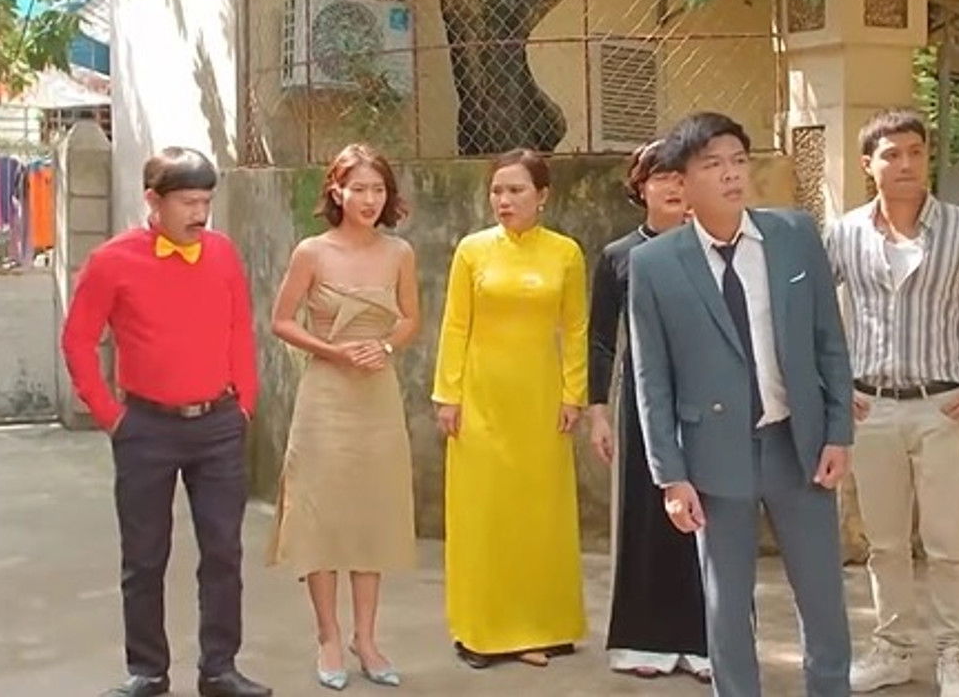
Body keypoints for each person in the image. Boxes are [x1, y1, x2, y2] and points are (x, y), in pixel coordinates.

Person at [628, 112, 854, 697]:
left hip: (798, 444)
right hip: (713, 455)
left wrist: (838, 431)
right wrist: (671, 476)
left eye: (738, 161)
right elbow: (651, 379)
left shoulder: (794, 234)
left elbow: (828, 340)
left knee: (823, 598)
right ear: (682, 182)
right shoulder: (654, 265)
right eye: (713, 165)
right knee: (726, 606)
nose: (731, 175)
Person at [61, 147, 271, 697]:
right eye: (188, 203)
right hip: (146, 428)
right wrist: (110, 416)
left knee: (223, 552)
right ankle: (148, 671)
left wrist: (244, 402)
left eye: (206, 202)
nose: (200, 214)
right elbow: (78, 340)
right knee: (144, 556)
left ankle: (219, 668)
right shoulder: (112, 261)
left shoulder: (221, 253)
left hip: (218, 423)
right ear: (153, 201)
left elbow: (239, 327)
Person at [828, 109, 959, 697]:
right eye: (892, 154)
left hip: (940, 409)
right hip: (869, 409)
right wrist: (833, 384)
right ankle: (891, 649)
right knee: (884, 542)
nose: (906, 164)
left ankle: (954, 653)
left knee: (948, 541)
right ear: (868, 165)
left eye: (915, 151)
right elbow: (810, 311)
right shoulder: (844, 234)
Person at [265, 144, 419, 690]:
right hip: (325, 396)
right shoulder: (312, 252)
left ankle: (367, 638)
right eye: (359, 189)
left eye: (378, 190)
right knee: (321, 514)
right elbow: (282, 320)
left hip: (377, 393)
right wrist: (332, 351)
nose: (370, 200)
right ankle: (328, 635)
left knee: (371, 513)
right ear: (337, 191)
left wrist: (386, 346)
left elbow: (411, 318)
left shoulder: (399, 252)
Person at [431, 148, 589, 669]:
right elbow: (456, 324)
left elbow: (576, 328)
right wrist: (448, 395)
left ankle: (546, 626)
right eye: (497, 190)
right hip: (481, 401)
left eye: (516, 190)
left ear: (542, 196)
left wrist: (573, 394)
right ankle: (481, 631)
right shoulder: (473, 251)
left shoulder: (565, 253)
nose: (504, 200)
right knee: (483, 515)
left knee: (541, 515)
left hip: (541, 402)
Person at [587, 140, 709, 682]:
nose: (673, 187)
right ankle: (646, 639)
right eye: (661, 177)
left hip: (708, 397)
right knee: (646, 513)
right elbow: (600, 339)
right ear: (641, 187)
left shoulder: (715, 248)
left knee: (709, 515)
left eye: (682, 176)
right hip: (643, 400)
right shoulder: (619, 256)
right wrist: (598, 410)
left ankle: (708, 639)